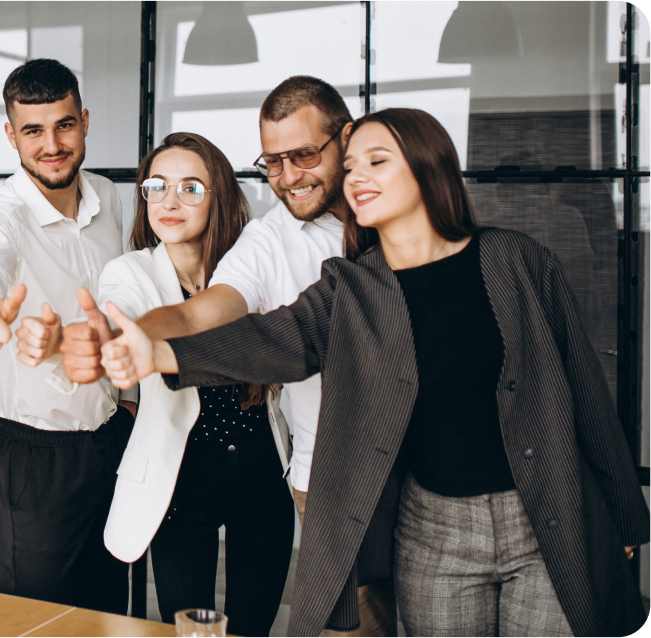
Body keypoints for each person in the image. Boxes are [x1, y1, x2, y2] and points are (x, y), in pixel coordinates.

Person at [100, 107, 651, 638]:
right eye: (352, 164)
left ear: (428, 166)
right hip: (434, 532)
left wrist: (625, 515)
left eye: (376, 161)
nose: (355, 175)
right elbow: (274, 338)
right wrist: (159, 352)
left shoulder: (516, 260)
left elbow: (585, 390)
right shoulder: (353, 285)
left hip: (545, 513)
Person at [63, 75, 397, 636]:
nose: (289, 176)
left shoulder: (389, 218)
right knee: (353, 625)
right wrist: (135, 340)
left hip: (295, 469)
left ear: (345, 140)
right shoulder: (264, 244)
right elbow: (198, 315)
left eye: (304, 155)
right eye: (273, 162)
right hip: (296, 477)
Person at [0, 60, 135, 613]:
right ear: (11, 136)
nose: (51, 144)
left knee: (108, 607)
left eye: (63, 125)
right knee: (35, 614)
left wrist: (127, 402)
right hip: (34, 453)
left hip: (111, 435)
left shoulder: (111, 197)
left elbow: (129, 300)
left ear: (83, 121)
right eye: (33, 130)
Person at [96, 133, 293, 636]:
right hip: (180, 480)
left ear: (219, 196)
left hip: (261, 475)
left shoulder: (250, 266)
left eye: (190, 188)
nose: (169, 201)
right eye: (157, 186)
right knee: (187, 631)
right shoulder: (129, 272)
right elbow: (126, 323)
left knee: (252, 628)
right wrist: (114, 339)